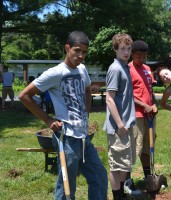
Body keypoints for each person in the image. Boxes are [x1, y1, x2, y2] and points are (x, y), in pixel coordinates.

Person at [19, 31, 108, 200]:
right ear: (67, 48)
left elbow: (88, 90)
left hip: (83, 136)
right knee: (67, 185)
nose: (81, 56)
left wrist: (85, 115)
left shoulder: (82, 70)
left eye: (84, 52)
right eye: (77, 50)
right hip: (65, 137)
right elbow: (24, 96)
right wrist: (48, 119)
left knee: (99, 175)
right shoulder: (55, 73)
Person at [103, 33, 137, 200]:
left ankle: (121, 193)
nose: (126, 52)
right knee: (117, 166)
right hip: (118, 127)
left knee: (125, 164)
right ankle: (117, 196)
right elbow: (109, 98)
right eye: (122, 48)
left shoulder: (125, 67)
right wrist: (119, 124)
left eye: (128, 48)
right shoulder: (115, 68)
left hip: (126, 125)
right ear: (115, 49)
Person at [126, 40, 157, 195]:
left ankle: (148, 177)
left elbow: (150, 90)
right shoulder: (128, 69)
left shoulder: (147, 69)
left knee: (147, 148)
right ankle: (127, 181)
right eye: (139, 57)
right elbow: (127, 94)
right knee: (134, 148)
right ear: (132, 54)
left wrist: (154, 104)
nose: (142, 59)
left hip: (150, 114)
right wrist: (143, 105)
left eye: (144, 57)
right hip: (136, 114)